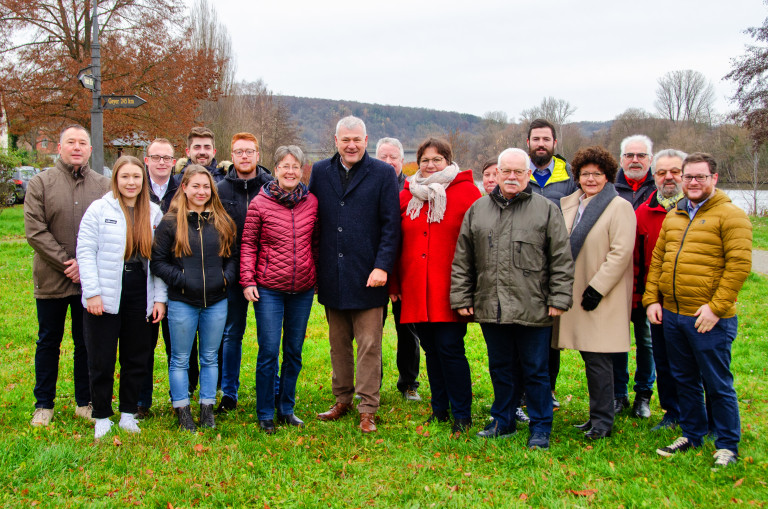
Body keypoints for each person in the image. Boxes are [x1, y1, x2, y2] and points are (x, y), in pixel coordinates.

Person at [452, 148, 573, 448]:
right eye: (506, 171)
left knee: (535, 370)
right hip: (492, 306)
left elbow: (561, 258)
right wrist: (462, 296)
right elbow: (463, 259)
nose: (511, 177)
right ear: (496, 174)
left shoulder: (546, 209)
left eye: (519, 172)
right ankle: (503, 420)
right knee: (501, 367)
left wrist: (559, 298)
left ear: (528, 175)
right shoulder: (478, 210)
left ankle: (541, 425)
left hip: (533, 306)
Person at [646, 152, 752, 469]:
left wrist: (717, 308)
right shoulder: (675, 216)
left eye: (700, 177)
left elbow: (739, 266)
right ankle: (692, 433)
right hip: (673, 315)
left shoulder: (731, 216)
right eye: (688, 177)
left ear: (713, 179)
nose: (692, 182)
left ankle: (727, 444)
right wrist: (652, 299)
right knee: (684, 379)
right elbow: (658, 261)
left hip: (708, 319)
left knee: (717, 382)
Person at [309, 116, 400, 434]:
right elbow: (313, 217)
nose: (351, 145)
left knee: (369, 344)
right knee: (338, 344)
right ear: (336, 140)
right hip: (333, 273)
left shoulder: (383, 173)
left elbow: (392, 224)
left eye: (357, 139)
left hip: (369, 274)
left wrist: (382, 266)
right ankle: (343, 399)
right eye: (345, 139)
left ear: (366, 140)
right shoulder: (320, 171)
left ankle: (367, 407)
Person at [389, 137, 481, 433]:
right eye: (425, 160)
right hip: (415, 287)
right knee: (430, 349)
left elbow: (476, 243)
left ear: (448, 161)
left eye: (437, 159)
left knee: (450, 348)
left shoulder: (466, 192)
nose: (430, 165)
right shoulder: (407, 194)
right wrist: (394, 282)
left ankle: (462, 414)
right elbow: (394, 240)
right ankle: (440, 410)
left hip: (449, 287)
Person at [25, 124, 110, 427]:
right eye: (70, 142)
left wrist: (87, 266)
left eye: (82, 143)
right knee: (49, 340)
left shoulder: (103, 186)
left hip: (90, 281)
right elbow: (35, 230)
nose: (77, 147)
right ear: (59, 147)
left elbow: (110, 230)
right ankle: (43, 404)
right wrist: (67, 263)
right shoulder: (40, 183)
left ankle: (84, 401)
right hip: (51, 278)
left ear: (90, 149)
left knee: (85, 342)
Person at [77, 156, 167, 438]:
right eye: (125, 177)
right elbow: (86, 252)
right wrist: (92, 293)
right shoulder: (99, 209)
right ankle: (102, 414)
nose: (131, 182)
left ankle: (128, 413)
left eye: (136, 177)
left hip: (140, 290)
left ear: (143, 180)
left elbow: (160, 261)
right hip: (106, 291)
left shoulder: (154, 213)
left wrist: (159, 299)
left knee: (136, 356)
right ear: (115, 179)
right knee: (101, 357)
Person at [553, 146, 635, 440]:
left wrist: (598, 288)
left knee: (599, 360)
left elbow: (621, 252)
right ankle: (595, 417)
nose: (590, 179)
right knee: (590, 358)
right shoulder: (572, 203)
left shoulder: (619, 206)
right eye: (585, 174)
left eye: (596, 174)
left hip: (601, 293)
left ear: (607, 176)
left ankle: (603, 421)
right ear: (577, 176)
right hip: (573, 290)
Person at [150, 166, 237, 431]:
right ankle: (182, 409)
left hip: (216, 301)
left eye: (206, 187)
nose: (201, 191)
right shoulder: (169, 223)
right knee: (180, 358)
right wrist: (183, 279)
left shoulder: (223, 221)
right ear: (184, 188)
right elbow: (158, 262)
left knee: (210, 357)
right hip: (182, 302)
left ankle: (207, 407)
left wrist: (225, 279)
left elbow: (233, 257)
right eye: (196, 186)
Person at [240, 145, 318, 434]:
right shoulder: (260, 203)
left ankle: (286, 408)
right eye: (284, 165)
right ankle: (265, 413)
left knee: (294, 351)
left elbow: (317, 243)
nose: (290, 171)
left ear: (301, 170)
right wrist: (247, 280)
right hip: (269, 288)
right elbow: (248, 244)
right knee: (269, 351)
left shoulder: (312, 203)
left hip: (302, 288)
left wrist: (317, 277)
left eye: (295, 166)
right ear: (275, 170)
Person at [215, 132, 274, 414]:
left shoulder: (272, 187)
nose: (245, 156)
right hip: (232, 273)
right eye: (239, 152)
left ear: (258, 154)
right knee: (231, 334)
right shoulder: (220, 190)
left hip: (266, 273)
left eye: (250, 151)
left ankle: (272, 389)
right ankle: (229, 392)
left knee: (269, 336)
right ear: (232, 155)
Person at [634, 149, 688, 430]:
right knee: (663, 359)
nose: (669, 177)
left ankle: (709, 417)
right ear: (653, 176)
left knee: (696, 362)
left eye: (675, 171)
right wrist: (644, 296)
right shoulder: (645, 212)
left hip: (692, 300)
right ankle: (672, 412)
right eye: (662, 172)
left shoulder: (697, 208)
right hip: (656, 300)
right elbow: (641, 258)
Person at [525, 118, 577, 410]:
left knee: (551, 334)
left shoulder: (568, 176)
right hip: (523, 266)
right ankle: (523, 392)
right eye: (536, 139)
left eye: (546, 139)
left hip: (556, 264)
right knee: (525, 331)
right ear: (528, 143)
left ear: (555, 143)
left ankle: (549, 388)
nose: (541, 144)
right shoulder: (520, 174)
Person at [613, 134, 657, 418]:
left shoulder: (659, 189)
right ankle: (618, 395)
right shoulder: (609, 188)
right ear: (621, 160)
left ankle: (643, 394)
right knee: (616, 339)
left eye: (641, 155)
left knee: (646, 341)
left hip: (648, 281)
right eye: (629, 155)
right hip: (617, 279)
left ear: (649, 159)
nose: (635, 160)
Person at [375, 137, 421, 401]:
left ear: (403, 161)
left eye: (394, 157)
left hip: (405, 273)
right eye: (384, 157)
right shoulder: (371, 185)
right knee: (372, 332)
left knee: (408, 330)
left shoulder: (414, 188)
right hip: (376, 271)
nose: (389, 162)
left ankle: (409, 383)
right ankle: (372, 382)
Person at [137, 138, 179, 418]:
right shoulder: (135, 188)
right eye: (156, 157)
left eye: (167, 158)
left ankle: (181, 399)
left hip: (178, 276)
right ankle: (141, 402)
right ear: (146, 160)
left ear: (174, 162)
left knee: (179, 344)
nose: (162, 162)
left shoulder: (183, 189)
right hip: (143, 277)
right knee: (143, 343)